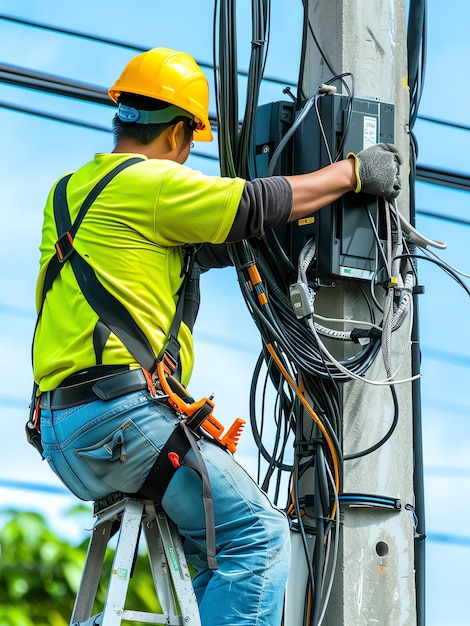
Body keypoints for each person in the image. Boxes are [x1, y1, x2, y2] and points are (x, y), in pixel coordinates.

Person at [30, 47, 401, 626]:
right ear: (180, 132)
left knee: (215, 552)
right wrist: (352, 173)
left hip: (62, 432)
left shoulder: (70, 192)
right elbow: (250, 204)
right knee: (257, 536)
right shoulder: (152, 184)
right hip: (123, 421)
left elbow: (184, 248)